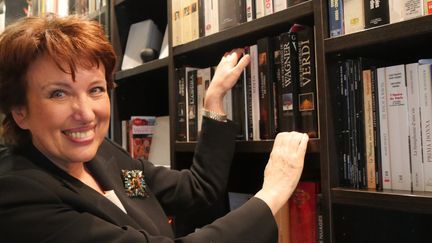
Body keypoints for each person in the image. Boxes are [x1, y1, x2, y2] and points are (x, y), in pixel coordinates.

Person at [0, 14, 309, 242]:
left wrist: (213, 102)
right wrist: (272, 193)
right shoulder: (18, 194)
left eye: (95, 89)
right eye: (59, 93)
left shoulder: (104, 156)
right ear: (20, 111)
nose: (85, 114)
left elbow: (195, 190)